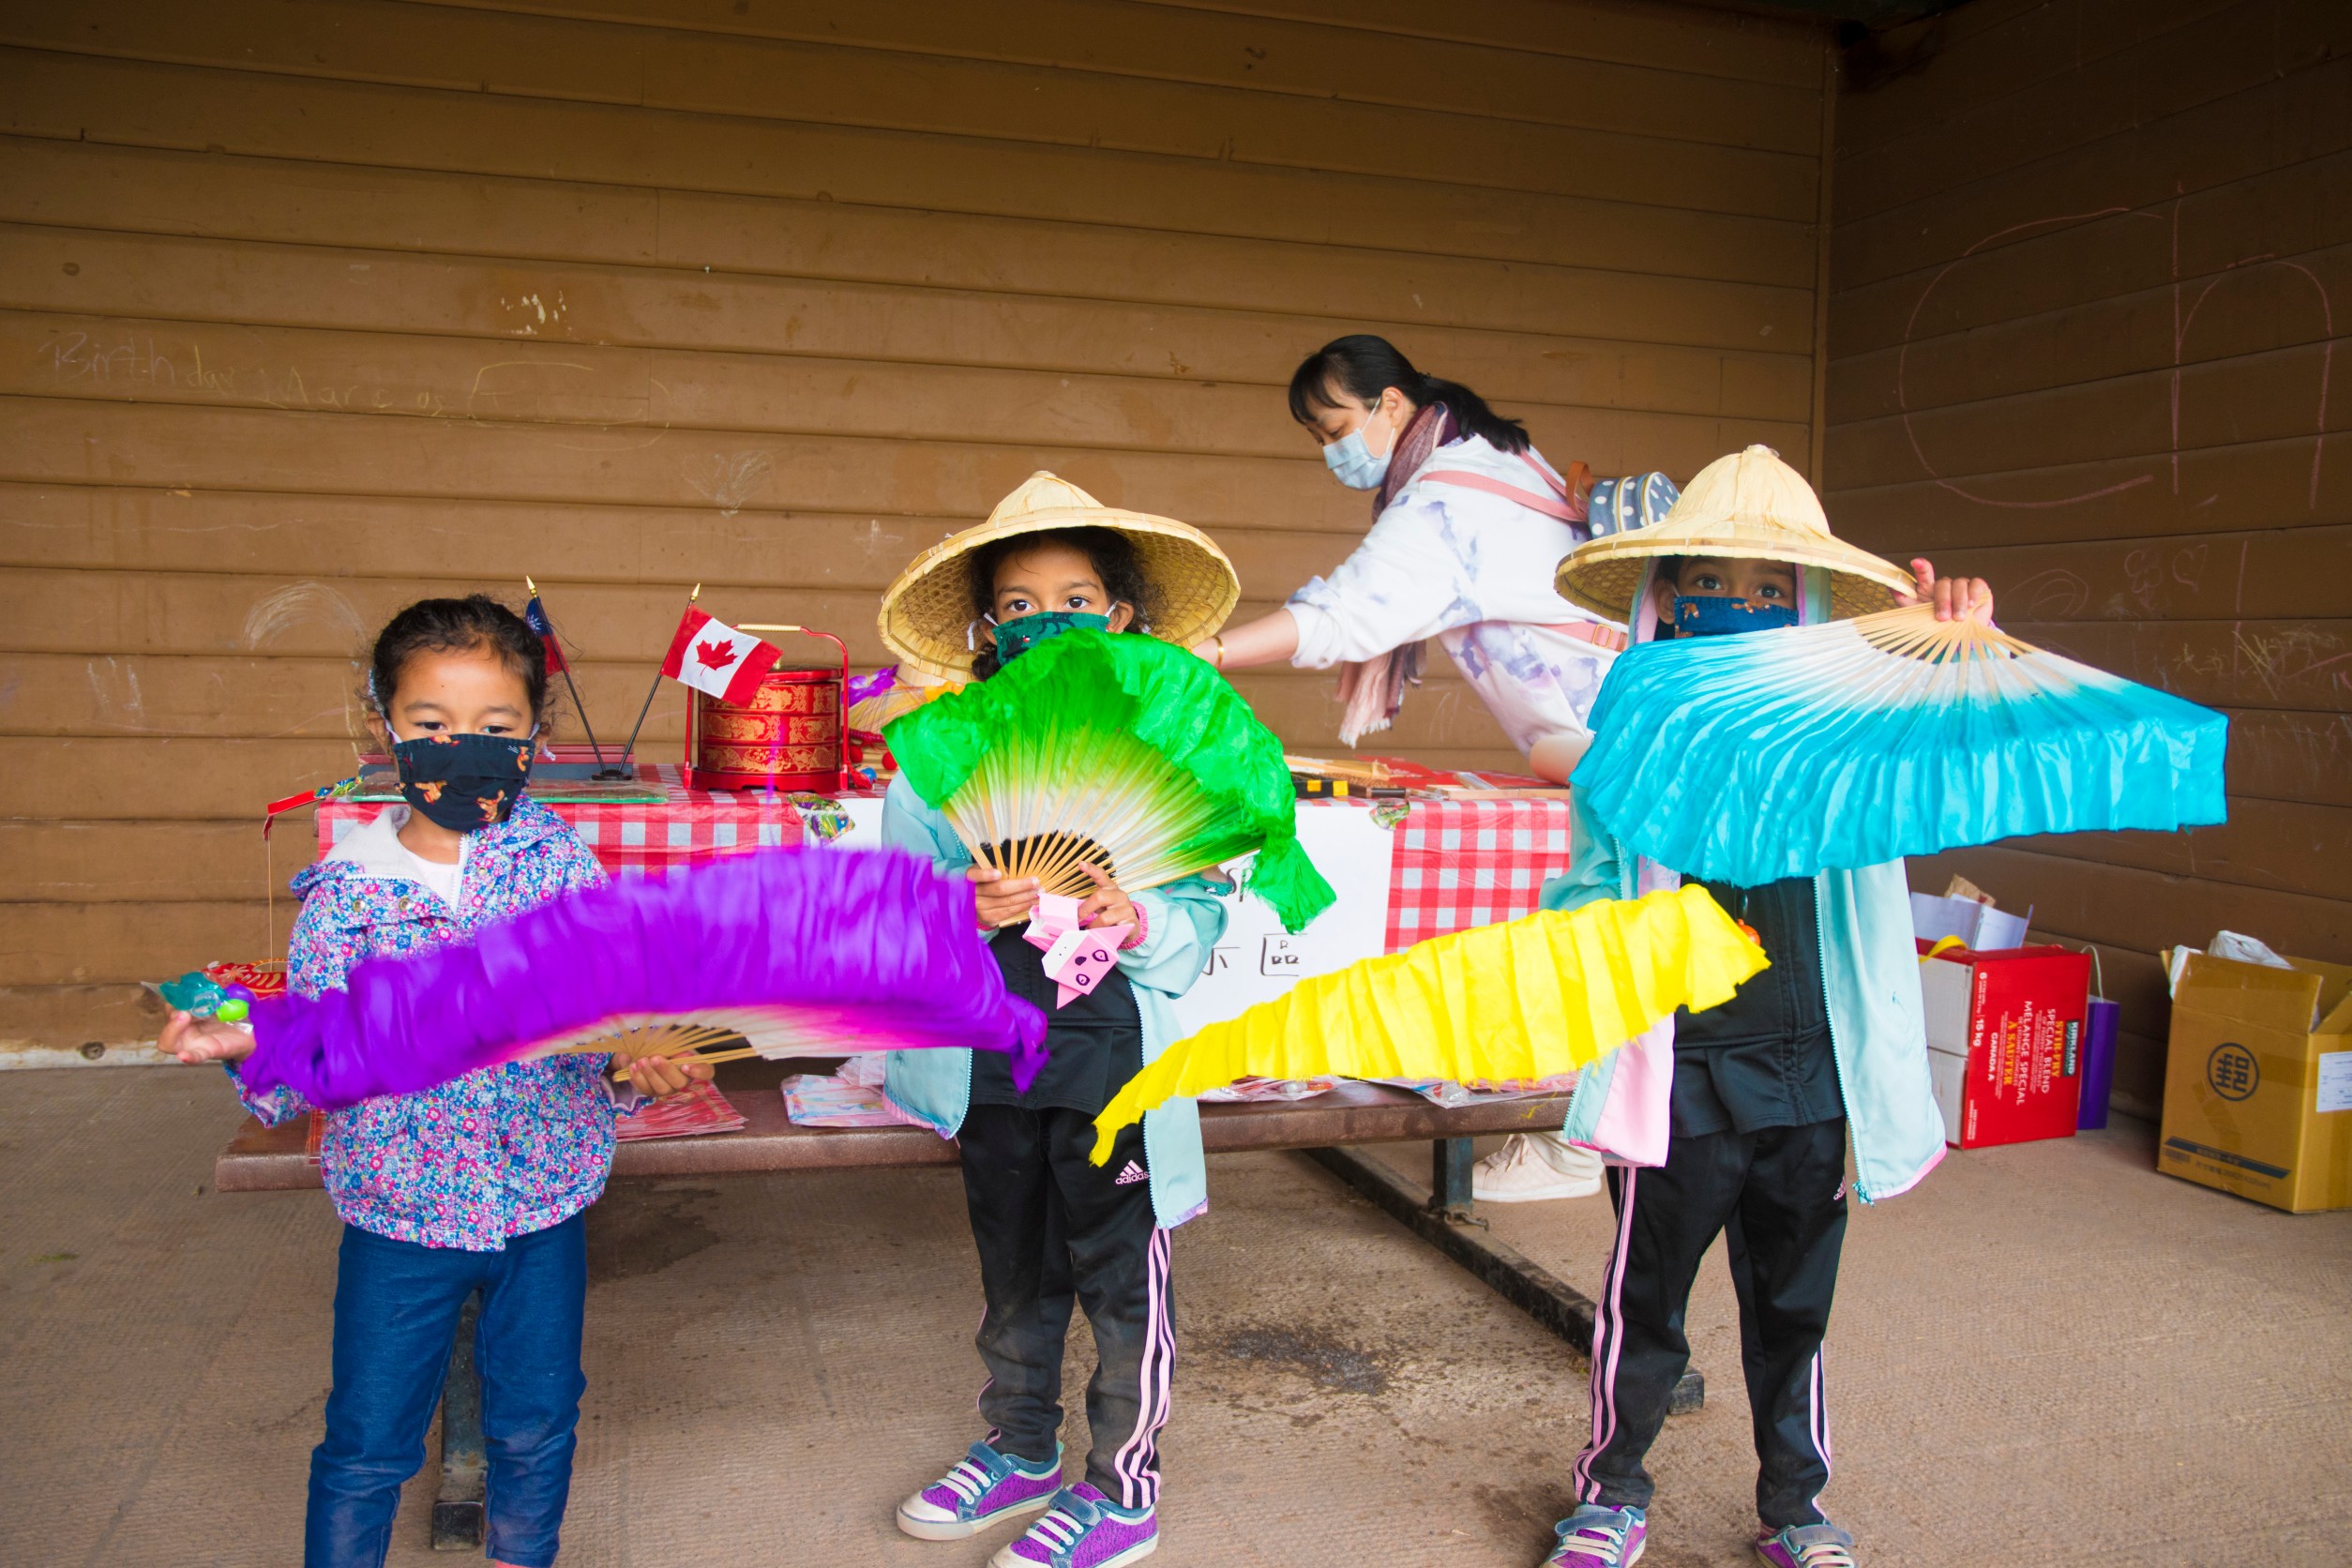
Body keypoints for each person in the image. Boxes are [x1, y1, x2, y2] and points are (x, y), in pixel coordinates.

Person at [158, 596, 707, 1568]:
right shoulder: (346, 894)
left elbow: (606, 1024)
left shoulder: (564, 869)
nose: (463, 749)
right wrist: (241, 1046)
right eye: (432, 726)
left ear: (535, 735)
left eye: (495, 729)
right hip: (399, 1216)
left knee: (537, 1420)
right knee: (368, 1441)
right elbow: (315, 1066)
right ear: (385, 728)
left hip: (546, 1200)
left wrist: (641, 1062)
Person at [1530, 447, 1991, 1568]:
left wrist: (1943, 650)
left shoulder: (1857, 744)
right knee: (1647, 1300)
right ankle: (1611, 1490)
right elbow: (1590, 890)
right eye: (1706, 586)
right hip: (1677, 1070)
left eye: (1766, 589)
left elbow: (1947, 747)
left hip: (1815, 1074)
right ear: (1662, 604)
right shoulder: (1633, 747)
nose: (1732, 608)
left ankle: (1795, 1505)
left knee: (1793, 1309)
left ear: (1812, 609)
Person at [1200, 334, 1654, 1204]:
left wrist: (1211, 650)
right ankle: (1598, 1127)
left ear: (1393, 406)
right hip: (1598, 731)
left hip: (1609, 736)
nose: (1330, 448)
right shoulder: (1498, 456)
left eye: (1334, 425)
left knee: (1606, 919)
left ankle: (1581, 1144)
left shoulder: (1445, 498)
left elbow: (1350, 614)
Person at [874, 474, 1235, 1568]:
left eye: (1074, 595)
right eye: (1019, 605)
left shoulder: (1164, 748)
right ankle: (1021, 1445)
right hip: (990, 1061)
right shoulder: (941, 752)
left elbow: (1208, 917)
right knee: (1014, 1267)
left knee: (1123, 1280)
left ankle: (1123, 1487)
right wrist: (958, 908)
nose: (1046, 619)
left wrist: (1141, 916)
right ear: (987, 628)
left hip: (1116, 1061)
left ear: (1120, 614)